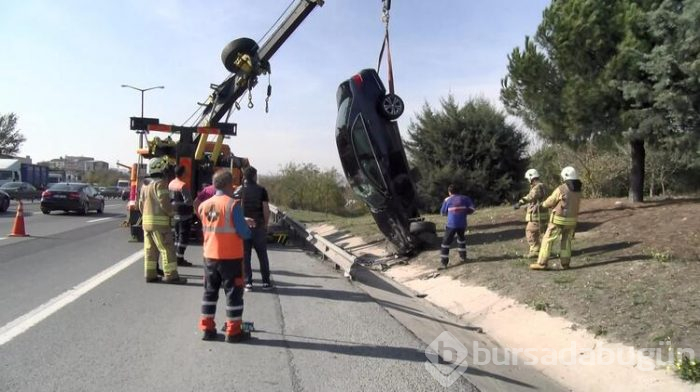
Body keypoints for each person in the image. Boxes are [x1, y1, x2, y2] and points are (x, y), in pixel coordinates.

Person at [197, 169, 253, 342]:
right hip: (231, 259)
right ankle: (234, 331)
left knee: (209, 293)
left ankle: (207, 329)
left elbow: (214, 225)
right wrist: (246, 224)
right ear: (230, 184)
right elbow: (244, 233)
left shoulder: (203, 206)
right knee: (234, 294)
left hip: (210, 257)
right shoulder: (233, 204)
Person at [138, 157, 187, 284]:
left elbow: (140, 205)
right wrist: (172, 213)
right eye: (165, 168)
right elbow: (164, 203)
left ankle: (150, 275)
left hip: (146, 223)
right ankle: (171, 275)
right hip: (160, 225)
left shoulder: (145, 185)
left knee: (150, 250)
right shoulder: (160, 184)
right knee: (167, 249)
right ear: (160, 168)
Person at [530, 166, 582, 270]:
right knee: (566, 241)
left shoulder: (562, 188)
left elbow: (551, 200)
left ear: (565, 176)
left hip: (559, 220)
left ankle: (542, 263)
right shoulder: (578, 190)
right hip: (572, 221)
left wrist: (543, 204)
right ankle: (565, 263)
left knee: (547, 239)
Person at [235, 166, 273, 290]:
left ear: (245, 176)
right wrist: (266, 225)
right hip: (259, 226)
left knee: (246, 256)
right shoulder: (262, 190)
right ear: (254, 176)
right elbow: (265, 209)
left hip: (244, 227)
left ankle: (248, 283)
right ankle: (266, 282)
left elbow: (236, 209)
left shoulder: (240, 191)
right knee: (262, 255)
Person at [439, 184, 476, 269]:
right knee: (461, 239)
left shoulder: (447, 199)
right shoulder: (465, 198)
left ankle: (444, 263)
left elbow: (442, 213)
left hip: (451, 224)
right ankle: (463, 257)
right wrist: (464, 212)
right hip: (462, 223)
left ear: (449, 192)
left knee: (445, 243)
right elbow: (472, 209)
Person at [516, 169, 549, 258]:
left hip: (536, 216)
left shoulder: (538, 187)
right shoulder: (543, 186)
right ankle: (541, 250)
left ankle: (535, 251)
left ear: (531, 177)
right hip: (542, 215)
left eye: (528, 179)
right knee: (539, 234)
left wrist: (520, 202)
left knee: (530, 232)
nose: (528, 181)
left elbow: (531, 197)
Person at [168, 165, 194, 267]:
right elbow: (188, 201)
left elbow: (169, 199)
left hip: (174, 214)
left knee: (177, 236)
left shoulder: (171, 184)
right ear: (182, 173)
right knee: (183, 237)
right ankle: (179, 258)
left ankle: (176, 257)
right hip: (185, 215)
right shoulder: (183, 185)